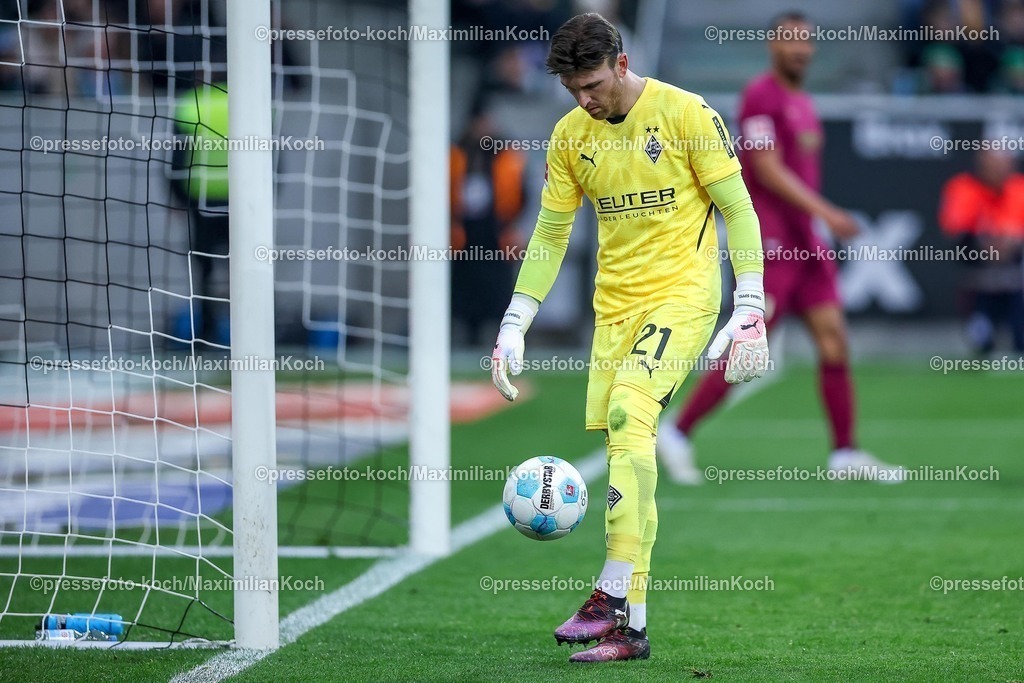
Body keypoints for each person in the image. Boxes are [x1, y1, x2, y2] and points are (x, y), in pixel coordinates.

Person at [489, 13, 769, 662]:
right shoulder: (568, 138)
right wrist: (514, 323)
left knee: (630, 410)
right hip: (614, 311)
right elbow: (552, 234)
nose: (583, 99)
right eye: (571, 88)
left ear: (620, 63)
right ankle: (631, 630)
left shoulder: (686, 114)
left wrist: (749, 302)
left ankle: (610, 591)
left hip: (683, 296)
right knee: (628, 445)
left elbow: (739, 209)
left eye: (590, 83)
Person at [657, 11, 904, 485]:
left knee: (833, 340)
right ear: (773, 46)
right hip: (771, 242)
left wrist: (817, 224)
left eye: (806, 42)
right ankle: (678, 432)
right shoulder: (761, 97)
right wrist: (827, 213)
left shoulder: (803, 102)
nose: (800, 50)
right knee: (750, 348)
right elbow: (767, 170)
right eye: (791, 42)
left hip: (806, 242)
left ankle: (845, 453)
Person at [450, 100, 527, 346]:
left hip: (496, 232)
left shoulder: (506, 155)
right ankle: (467, 341)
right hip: (465, 234)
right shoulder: (457, 153)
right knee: (465, 290)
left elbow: (523, 193)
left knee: (499, 291)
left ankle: (500, 340)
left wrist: (512, 226)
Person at [939, 148, 1024, 353]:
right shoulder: (963, 188)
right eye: (993, 164)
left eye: (1003, 164)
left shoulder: (1019, 188)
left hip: (1016, 278)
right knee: (982, 345)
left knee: (1020, 343)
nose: (998, 170)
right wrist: (986, 245)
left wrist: (1010, 243)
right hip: (977, 278)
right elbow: (955, 231)